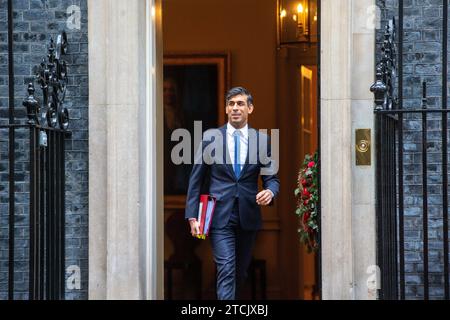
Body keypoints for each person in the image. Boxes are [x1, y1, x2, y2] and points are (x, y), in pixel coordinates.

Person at [184, 86, 280, 300]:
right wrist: (192, 216)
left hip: (248, 216)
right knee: (226, 268)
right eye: (231, 104)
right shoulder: (210, 138)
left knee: (239, 271)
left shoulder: (262, 141)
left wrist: (270, 193)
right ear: (226, 109)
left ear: (250, 108)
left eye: (240, 104)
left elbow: (272, 179)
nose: (235, 108)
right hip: (219, 215)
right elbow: (196, 179)